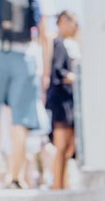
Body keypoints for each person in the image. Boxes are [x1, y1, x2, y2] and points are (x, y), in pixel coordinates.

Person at [0, 0, 52, 189]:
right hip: (24, 54)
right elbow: (44, 32)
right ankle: (16, 176)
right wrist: (46, 71)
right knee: (21, 119)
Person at [45, 10, 80, 190]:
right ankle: (57, 184)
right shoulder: (58, 44)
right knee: (61, 147)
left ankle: (61, 183)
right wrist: (75, 77)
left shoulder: (64, 44)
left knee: (67, 148)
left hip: (65, 103)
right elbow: (58, 73)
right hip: (61, 103)